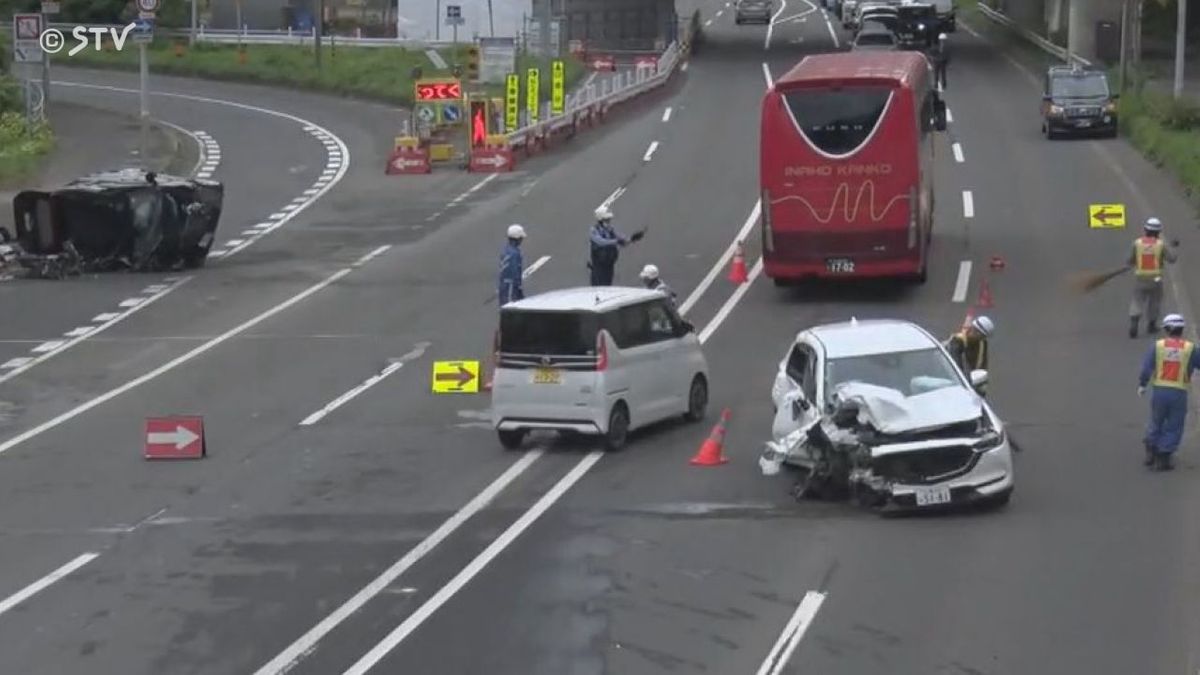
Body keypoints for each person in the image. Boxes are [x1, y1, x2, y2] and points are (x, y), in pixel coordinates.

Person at [1138, 313, 1200, 471]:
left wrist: (1142, 384)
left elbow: (1147, 368)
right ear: (1181, 329)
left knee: (1156, 420)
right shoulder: (1190, 348)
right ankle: (1164, 457)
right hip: (1179, 392)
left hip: (1160, 391)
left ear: (1167, 329)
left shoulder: (1158, 346)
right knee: (1174, 425)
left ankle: (1150, 450)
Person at [1127, 217, 1177, 338]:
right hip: (1156, 278)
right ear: (1158, 232)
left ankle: (1134, 322)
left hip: (1141, 277)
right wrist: (1172, 248)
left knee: (1137, 300)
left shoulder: (1137, 243)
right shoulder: (1161, 244)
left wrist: (1133, 263)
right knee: (1154, 301)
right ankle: (1151, 324)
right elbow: (1172, 259)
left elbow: (1130, 260)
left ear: (1145, 230)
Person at [946, 315, 994, 389]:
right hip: (956, 385)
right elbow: (955, 368)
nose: (983, 338)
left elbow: (982, 366)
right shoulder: (957, 342)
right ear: (976, 331)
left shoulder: (982, 342)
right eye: (983, 336)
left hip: (973, 384)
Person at [588, 206, 628, 286]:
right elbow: (601, 242)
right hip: (599, 266)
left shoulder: (610, 229)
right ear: (601, 219)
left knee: (608, 285)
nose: (609, 221)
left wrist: (625, 240)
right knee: (598, 287)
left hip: (609, 263)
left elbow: (617, 236)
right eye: (607, 219)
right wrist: (616, 241)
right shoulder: (594, 230)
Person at [498, 224, 526, 306]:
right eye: (521, 238)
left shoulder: (506, 250)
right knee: (511, 309)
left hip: (503, 286)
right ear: (517, 238)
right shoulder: (514, 253)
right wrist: (519, 289)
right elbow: (514, 273)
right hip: (511, 289)